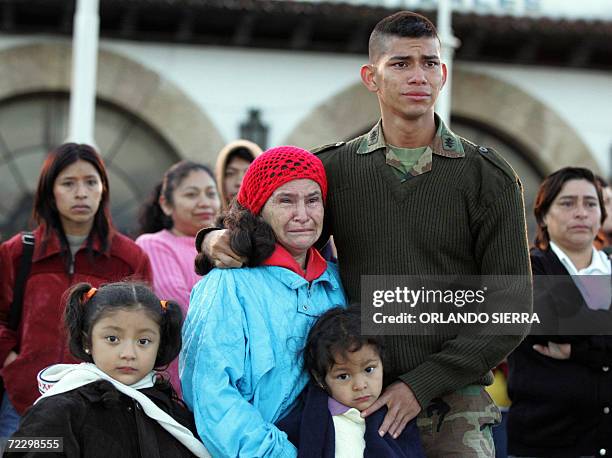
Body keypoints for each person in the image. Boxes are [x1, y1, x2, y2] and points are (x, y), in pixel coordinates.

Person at [197, 11, 531, 457]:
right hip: (350, 398)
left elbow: (512, 308)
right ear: (370, 77)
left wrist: (419, 385)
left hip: (453, 398)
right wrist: (208, 239)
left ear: (444, 73)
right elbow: (256, 221)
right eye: (400, 64)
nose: (418, 76)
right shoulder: (334, 169)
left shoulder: (487, 177)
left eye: (429, 63)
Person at [181, 146, 347, 457]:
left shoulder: (337, 282)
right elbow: (211, 395)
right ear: (258, 210)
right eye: (286, 200)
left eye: (313, 200)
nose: (302, 215)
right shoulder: (227, 284)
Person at [0, 143, 152, 438]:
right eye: (68, 183)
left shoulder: (129, 258)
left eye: (90, 182)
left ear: (103, 190)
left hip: (100, 407)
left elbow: (143, 327)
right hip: (22, 404)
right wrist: (14, 364)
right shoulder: (18, 253)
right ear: (49, 191)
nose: (81, 193)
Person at [9, 281, 210, 457]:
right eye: (112, 339)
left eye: (143, 341)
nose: (128, 353)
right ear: (87, 340)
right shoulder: (57, 410)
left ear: (159, 346)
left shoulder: (172, 411)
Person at [507, 167, 612, 457]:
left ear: (601, 215)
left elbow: (570, 325)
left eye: (590, 204)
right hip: (546, 443)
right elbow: (553, 325)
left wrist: (578, 350)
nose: (581, 213)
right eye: (567, 203)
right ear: (543, 215)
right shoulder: (526, 270)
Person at [277, 306, 425, 458]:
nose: (360, 385)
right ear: (320, 379)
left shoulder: (393, 416)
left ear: (382, 363)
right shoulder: (310, 417)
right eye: (343, 376)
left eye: (369, 370)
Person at [136, 161, 220, 396]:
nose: (204, 202)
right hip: (176, 386)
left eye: (211, 194)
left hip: (221, 385)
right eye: (192, 194)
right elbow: (180, 309)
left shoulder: (226, 248)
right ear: (166, 204)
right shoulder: (154, 244)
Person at [214, 139, 262, 211]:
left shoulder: (276, 221)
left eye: (248, 174)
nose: (239, 183)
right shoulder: (206, 220)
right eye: (230, 173)